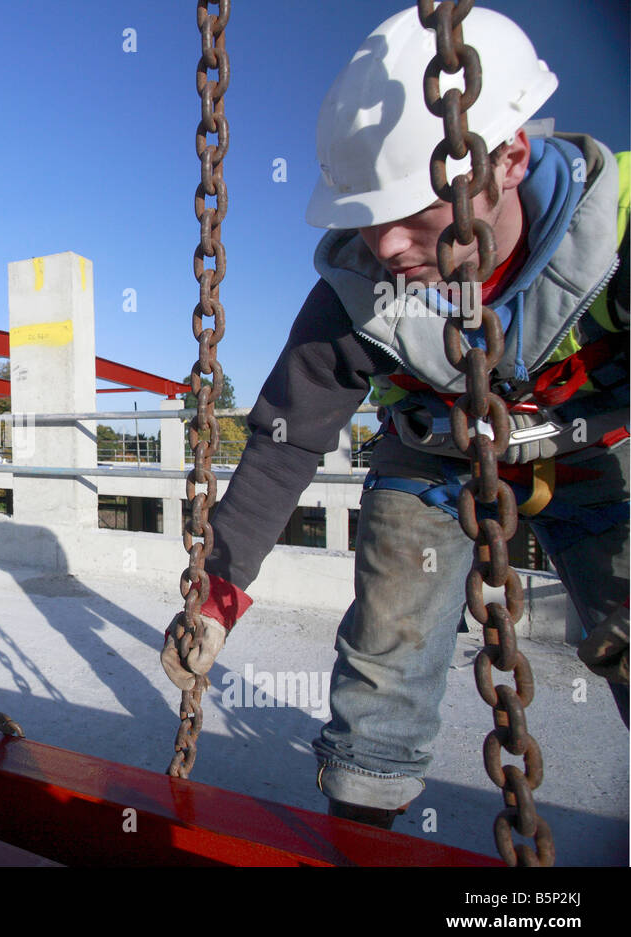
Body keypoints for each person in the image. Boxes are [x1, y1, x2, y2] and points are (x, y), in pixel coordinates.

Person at [165, 5, 629, 828]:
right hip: (434, 460)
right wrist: (218, 590)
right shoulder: (357, 291)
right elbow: (286, 441)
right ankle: (366, 822)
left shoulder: (617, 233)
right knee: (388, 650)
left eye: (414, 211)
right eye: (365, 219)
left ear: (510, 157)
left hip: (601, 449)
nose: (384, 247)